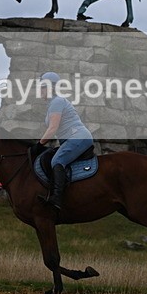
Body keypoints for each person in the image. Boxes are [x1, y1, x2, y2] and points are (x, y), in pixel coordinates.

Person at [35, 71, 94, 211]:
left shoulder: (57, 102)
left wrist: (39, 144)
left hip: (78, 137)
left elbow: (52, 129)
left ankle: (56, 200)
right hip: (72, 139)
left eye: (43, 86)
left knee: (57, 161)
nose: (40, 90)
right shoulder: (53, 104)